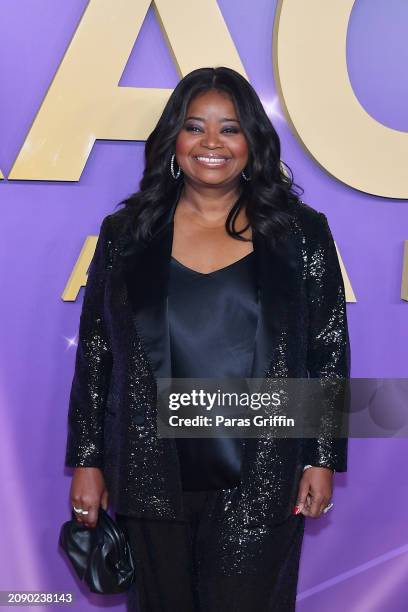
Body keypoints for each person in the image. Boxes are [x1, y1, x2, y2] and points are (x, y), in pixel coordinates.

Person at [65, 66, 350, 611]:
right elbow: (97, 350)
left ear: (253, 144)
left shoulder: (301, 233)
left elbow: (328, 348)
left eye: (231, 128)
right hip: (150, 469)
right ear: (174, 139)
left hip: (263, 473)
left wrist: (321, 456)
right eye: (196, 127)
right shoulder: (127, 234)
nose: (212, 143)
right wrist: (88, 459)